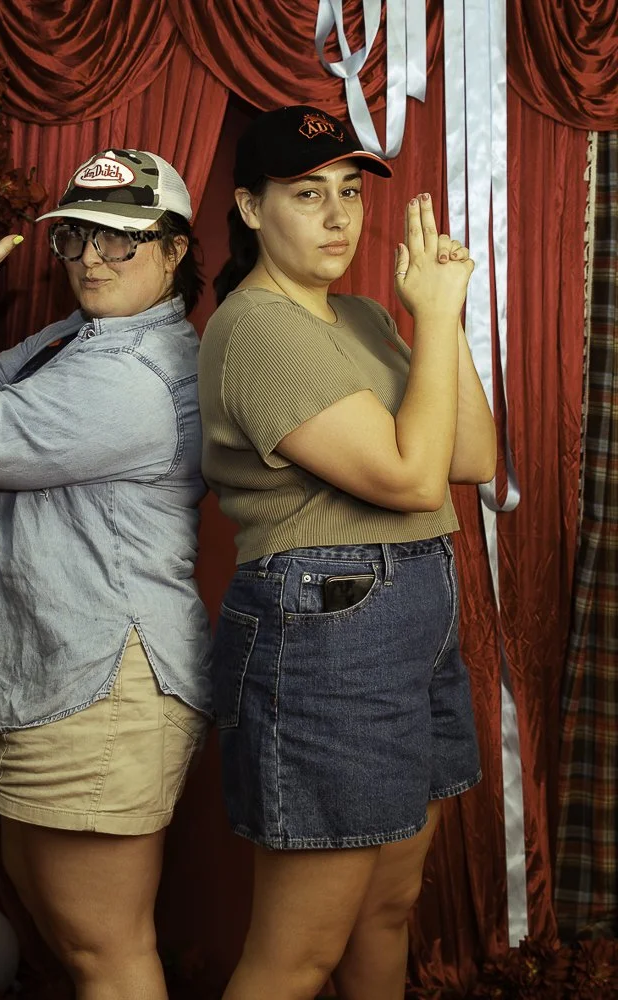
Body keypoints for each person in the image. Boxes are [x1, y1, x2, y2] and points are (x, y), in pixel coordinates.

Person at [198, 106, 497, 1000]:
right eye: (305, 194)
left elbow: (472, 459)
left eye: (350, 192)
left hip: (413, 622)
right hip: (327, 636)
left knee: (389, 907)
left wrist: (441, 318)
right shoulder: (258, 329)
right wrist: (435, 322)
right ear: (251, 209)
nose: (338, 217)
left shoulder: (363, 318)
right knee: (299, 952)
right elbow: (414, 479)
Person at [0, 149, 212, 1000]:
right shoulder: (84, 336)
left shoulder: (133, 377)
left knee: (104, 951)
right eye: (76, 236)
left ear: (174, 250)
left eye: (121, 241)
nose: (90, 259)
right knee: (67, 934)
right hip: (52, 673)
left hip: (102, 686)